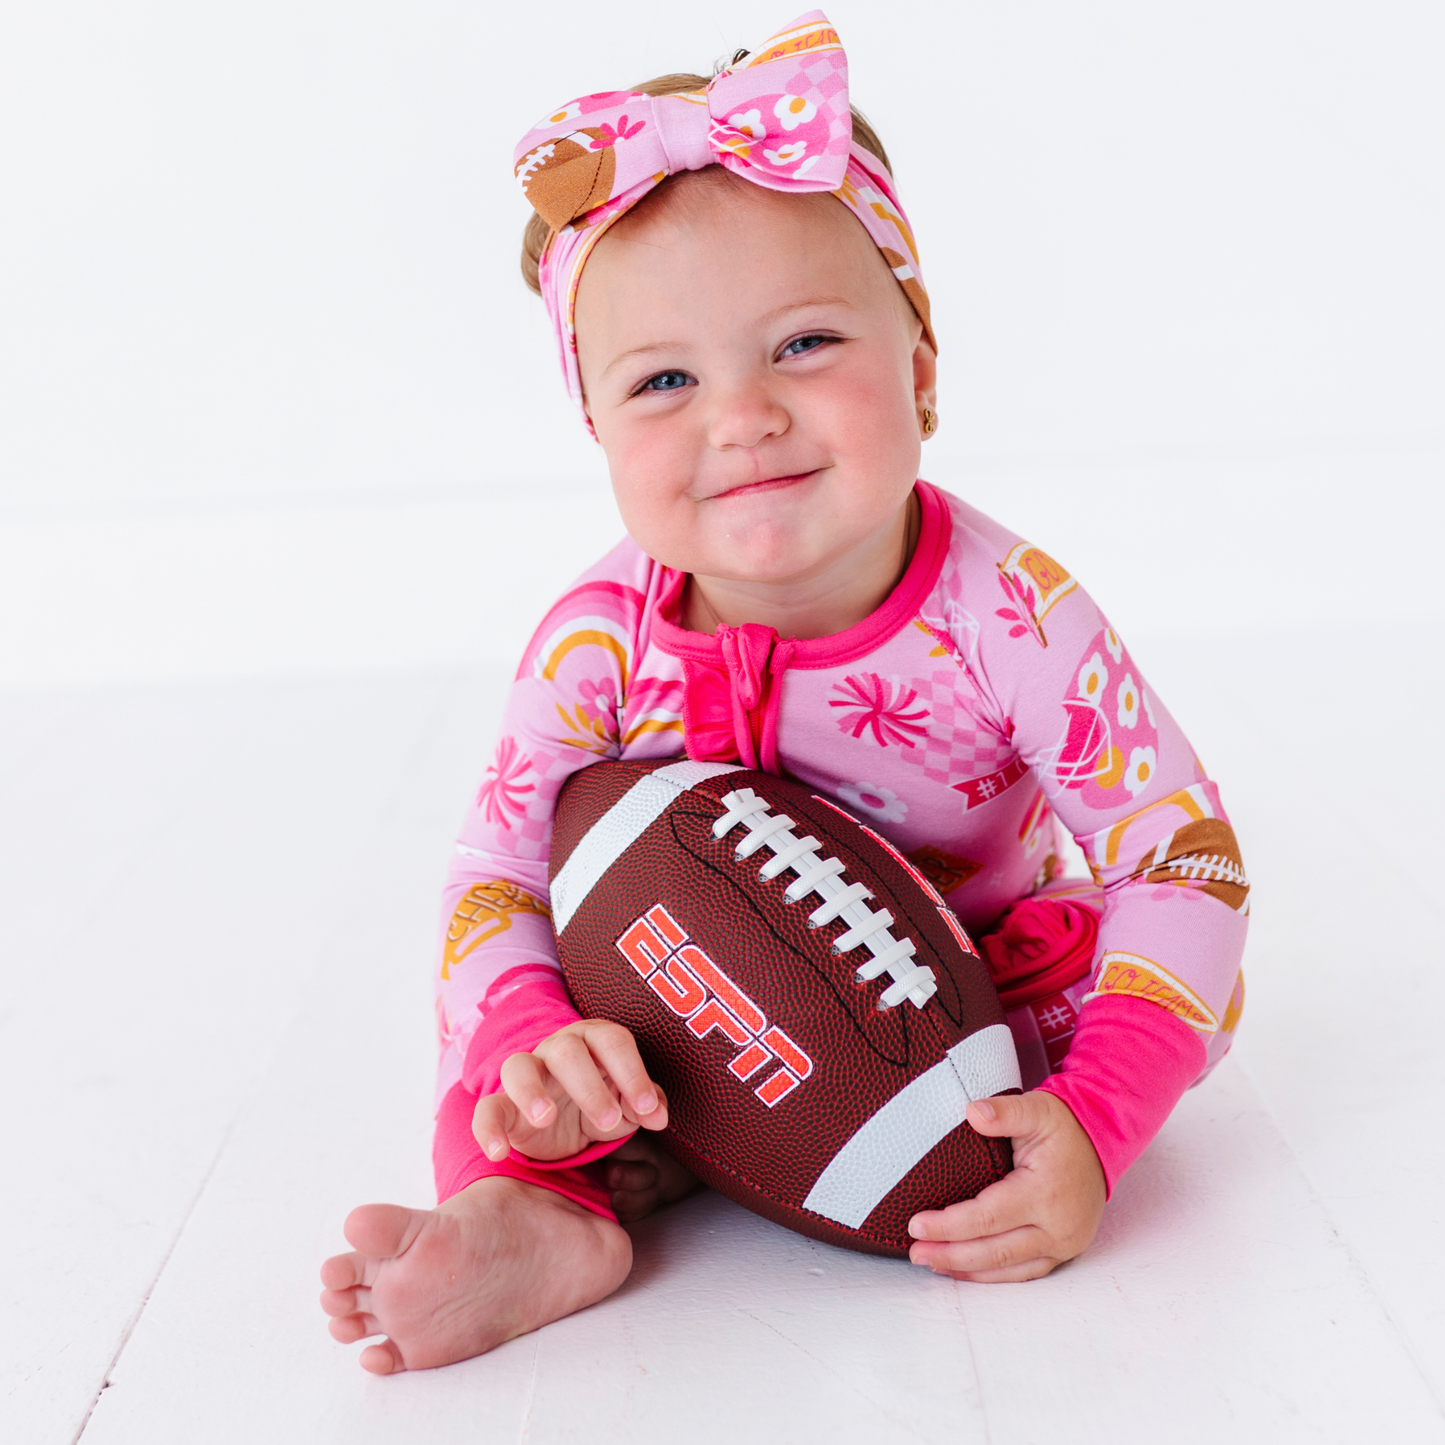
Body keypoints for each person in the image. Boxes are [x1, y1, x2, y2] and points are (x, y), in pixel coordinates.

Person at [319, 12, 1249, 1374]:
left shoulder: (1011, 618)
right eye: (666, 380)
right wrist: (533, 1039)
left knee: (1096, 1008)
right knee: (504, 1056)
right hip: (665, 1001)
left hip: (961, 1003)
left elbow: (1185, 861)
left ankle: (784, 1161)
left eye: (805, 346)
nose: (740, 416)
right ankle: (544, 1212)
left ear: (921, 368)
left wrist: (1101, 1118)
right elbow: (493, 877)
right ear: (596, 430)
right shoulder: (596, 641)